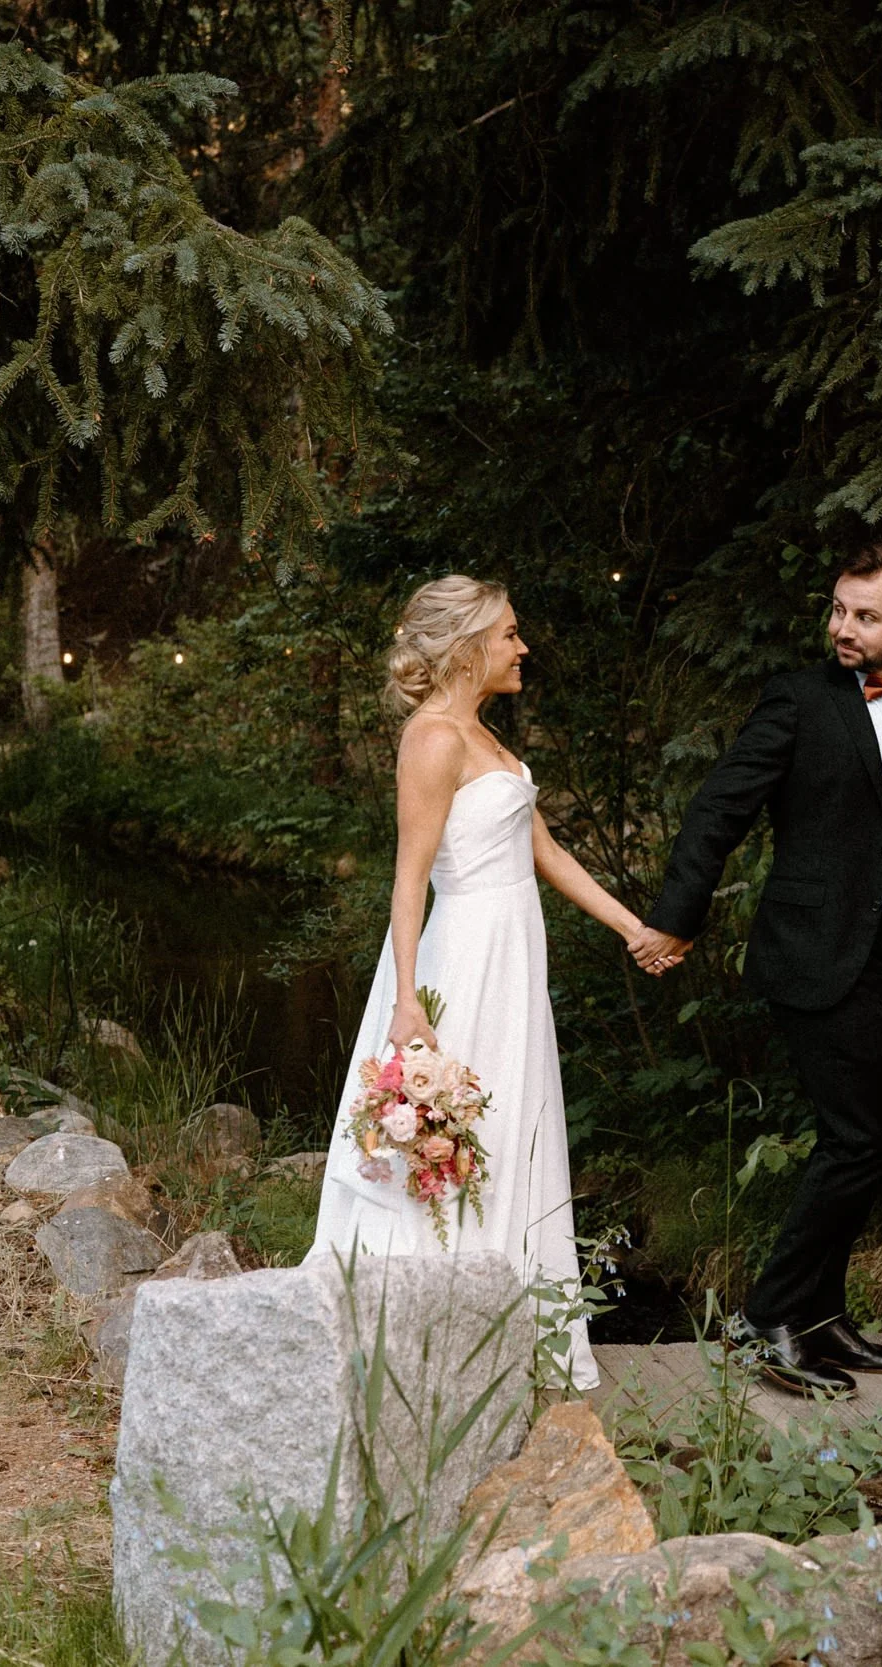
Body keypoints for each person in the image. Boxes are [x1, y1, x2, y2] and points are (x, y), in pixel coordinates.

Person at [631, 540, 882, 1396]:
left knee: (871, 1139)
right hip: (820, 950)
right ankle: (768, 1318)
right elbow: (721, 805)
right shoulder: (798, 700)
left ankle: (820, 1319)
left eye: (865, 615)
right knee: (859, 1139)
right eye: (837, 610)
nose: (844, 628)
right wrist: (676, 919)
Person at [308, 575, 660, 1391]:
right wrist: (405, 1002)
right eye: (508, 633)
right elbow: (408, 881)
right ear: (468, 648)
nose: (522, 646)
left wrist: (632, 928)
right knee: (452, 1141)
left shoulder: (490, 740)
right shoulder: (432, 739)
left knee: (514, 1132)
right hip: (463, 963)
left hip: (516, 966)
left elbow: (551, 855)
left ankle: (508, 1339)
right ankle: (422, 1349)